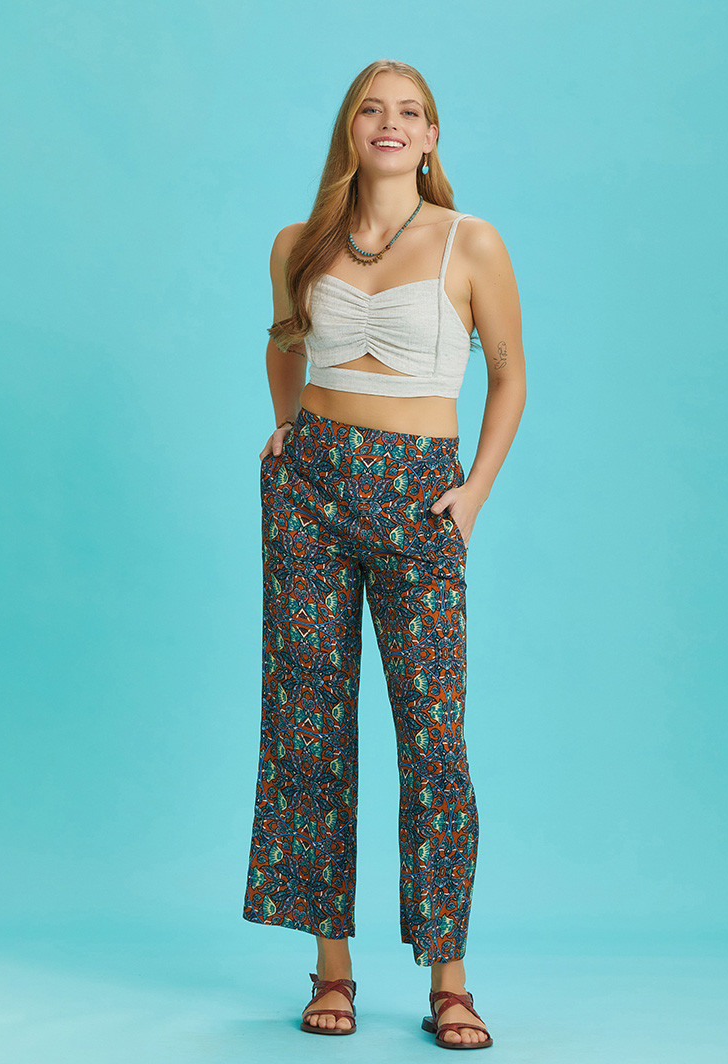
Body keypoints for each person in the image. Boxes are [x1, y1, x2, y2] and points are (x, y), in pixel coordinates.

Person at [242, 58, 526, 1049]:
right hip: (309, 491)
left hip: (420, 497)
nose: (390, 123)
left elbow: (509, 376)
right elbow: (284, 342)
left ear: (431, 135)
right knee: (309, 726)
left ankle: (449, 979)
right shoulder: (298, 242)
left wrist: (472, 493)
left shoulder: (469, 240)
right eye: (372, 108)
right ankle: (331, 968)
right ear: (350, 129)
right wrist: (288, 430)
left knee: (433, 735)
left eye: (410, 111)